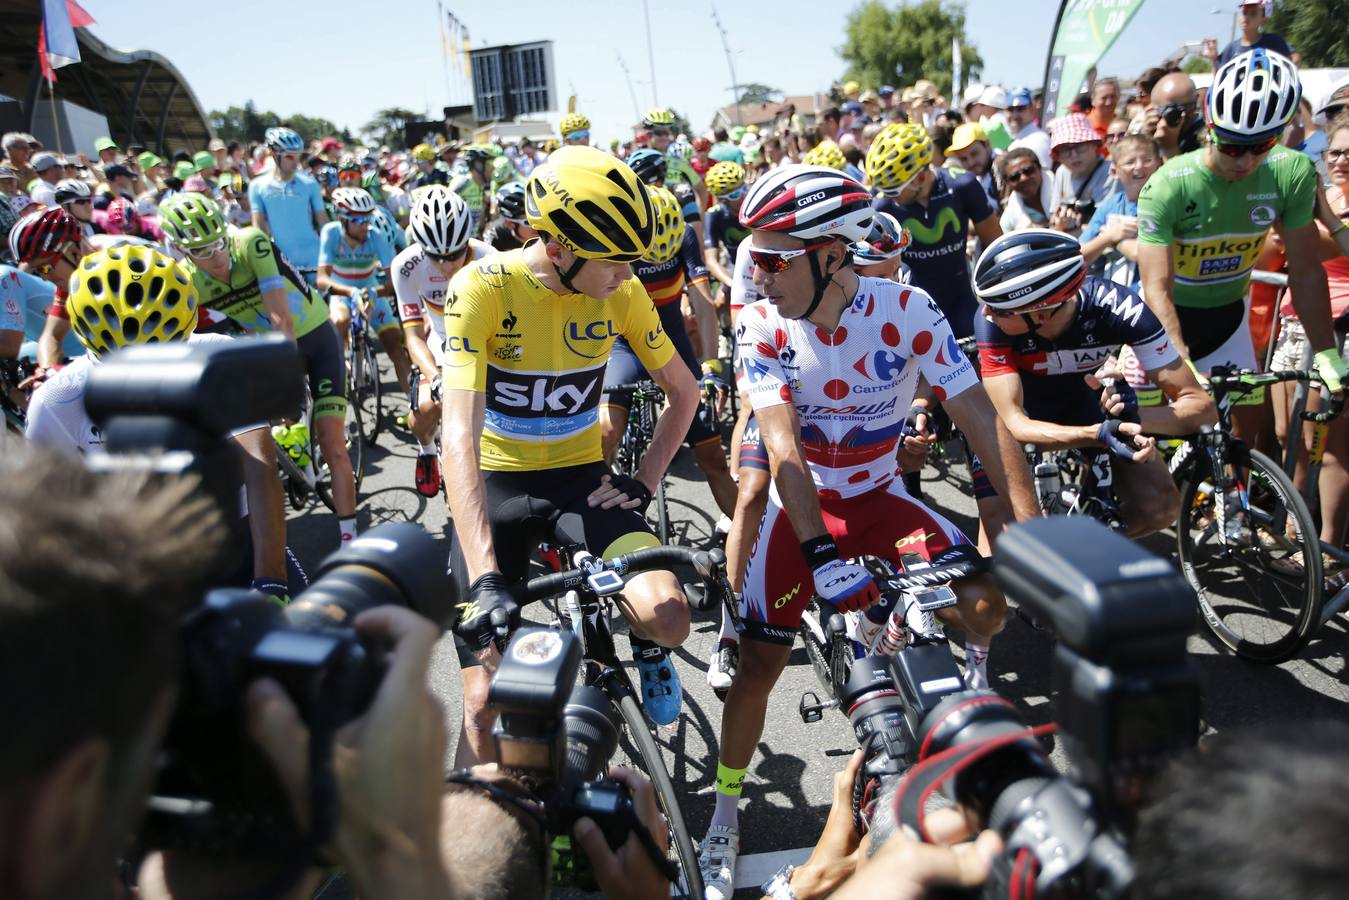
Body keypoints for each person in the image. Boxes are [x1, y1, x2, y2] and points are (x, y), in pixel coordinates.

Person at [703, 164, 1037, 900]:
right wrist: (819, 551)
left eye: (772, 257)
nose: (755, 272)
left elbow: (980, 418)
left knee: (985, 601)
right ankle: (723, 813)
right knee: (758, 667)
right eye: (750, 255)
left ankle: (931, 684)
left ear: (832, 253)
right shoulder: (762, 324)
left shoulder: (908, 309)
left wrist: (1035, 535)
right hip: (807, 509)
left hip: (882, 500)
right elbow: (782, 447)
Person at [440, 146, 698, 765]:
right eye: (616, 263)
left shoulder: (621, 293)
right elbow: (457, 440)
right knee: (483, 708)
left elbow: (683, 393)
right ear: (558, 250)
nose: (629, 277)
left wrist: (644, 480)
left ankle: (644, 647)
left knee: (669, 618)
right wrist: (489, 579)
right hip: (496, 485)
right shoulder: (481, 287)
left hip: (581, 481)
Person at [24, 244, 296, 595]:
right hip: (140, 557)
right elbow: (50, 516)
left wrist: (271, 580)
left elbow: (259, 466)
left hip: (235, 532)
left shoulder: (217, 354)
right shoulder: (58, 401)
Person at [1137, 50, 1346, 445]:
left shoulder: (1291, 172)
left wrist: (1326, 353)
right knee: (1155, 468)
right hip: (1161, 328)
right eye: (1232, 146)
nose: (1246, 161)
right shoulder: (1169, 184)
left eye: (1262, 145)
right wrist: (1179, 363)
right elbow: (1156, 290)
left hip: (1229, 322)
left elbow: (1305, 272)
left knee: (1240, 446)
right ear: (1209, 127)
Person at [974, 229, 1216, 537]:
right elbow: (1015, 426)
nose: (986, 313)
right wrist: (1098, 433)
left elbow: (1202, 409)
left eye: (998, 308)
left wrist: (1131, 417)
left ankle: (1085, 550)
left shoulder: (1120, 308)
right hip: (1018, 409)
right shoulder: (991, 325)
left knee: (1160, 507)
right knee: (1001, 529)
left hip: (1082, 402)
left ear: (1042, 314)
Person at [157, 192, 361, 547]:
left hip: (314, 337)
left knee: (332, 442)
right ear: (181, 251)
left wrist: (286, 385)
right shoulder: (188, 279)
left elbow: (282, 319)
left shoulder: (250, 243)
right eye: (202, 252)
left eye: (218, 244)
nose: (217, 258)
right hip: (267, 347)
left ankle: (350, 539)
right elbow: (181, 336)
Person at [601, 185, 737, 523]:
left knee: (713, 458)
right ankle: (597, 520)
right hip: (625, 346)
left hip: (671, 341)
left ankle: (759, 547)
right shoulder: (614, 243)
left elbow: (703, 304)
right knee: (605, 432)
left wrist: (709, 364)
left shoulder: (685, 236)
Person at [1269, 111, 1349, 587]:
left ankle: (1329, 547)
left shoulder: (1327, 201)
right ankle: (1296, 531)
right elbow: (1276, 247)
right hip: (1293, 321)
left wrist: (1316, 215)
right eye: (1335, 151)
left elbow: (1313, 247)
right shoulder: (1327, 195)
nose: (1341, 160)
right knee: (1288, 434)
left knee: (1331, 444)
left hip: (1337, 329)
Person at [392, 185, 490, 496]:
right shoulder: (405, 266)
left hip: (484, 340)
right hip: (440, 340)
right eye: (437, 257)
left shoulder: (490, 258)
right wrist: (435, 378)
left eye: (455, 255)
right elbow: (412, 335)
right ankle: (427, 449)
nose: (448, 265)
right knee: (422, 413)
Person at [868, 123, 1002, 339]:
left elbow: (995, 245)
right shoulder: (881, 206)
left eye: (893, 190)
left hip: (961, 300)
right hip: (914, 306)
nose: (886, 196)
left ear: (920, 178)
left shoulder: (963, 185)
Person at [316, 186, 413, 398]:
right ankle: (339, 371)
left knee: (395, 345)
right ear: (343, 219)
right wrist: (351, 292)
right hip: (343, 291)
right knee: (340, 320)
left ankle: (414, 406)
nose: (365, 225)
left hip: (370, 290)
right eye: (359, 221)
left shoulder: (374, 235)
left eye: (367, 219)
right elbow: (322, 279)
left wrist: (375, 292)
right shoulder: (331, 233)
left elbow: (392, 279)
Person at [1079, 133, 1163, 289]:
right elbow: (1079, 257)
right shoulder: (1110, 205)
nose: (1139, 166)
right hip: (1115, 296)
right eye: (1130, 162)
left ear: (1159, 164)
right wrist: (1107, 237)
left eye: (1147, 160)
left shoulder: (1166, 202)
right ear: (1114, 172)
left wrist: (1117, 241)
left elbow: (1146, 255)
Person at [248, 127, 329, 284]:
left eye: (298, 156)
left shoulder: (310, 183)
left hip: (314, 258)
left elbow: (323, 222)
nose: (296, 162)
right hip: (282, 261)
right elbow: (258, 228)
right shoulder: (257, 186)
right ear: (273, 153)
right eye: (290, 157)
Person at [1046, 113, 1116, 236]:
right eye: (1065, 150)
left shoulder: (1111, 172)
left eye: (1079, 146)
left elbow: (1105, 226)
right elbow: (1053, 218)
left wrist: (1071, 228)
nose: (1073, 155)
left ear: (1094, 145)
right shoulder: (1062, 172)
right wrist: (1060, 223)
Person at [702, 161, 751, 309]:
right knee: (720, 301)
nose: (744, 195)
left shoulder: (755, 203)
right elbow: (711, 262)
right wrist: (732, 284)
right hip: (736, 267)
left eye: (744, 188)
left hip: (763, 262)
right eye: (736, 194)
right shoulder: (714, 215)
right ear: (724, 200)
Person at [1217, 0, 1298, 66]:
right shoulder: (1231, 48)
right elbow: (1219, 77)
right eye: (1244, 12)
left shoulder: (1273, 41)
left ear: (1263, 19)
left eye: (1253, 14)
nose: (1246, 18)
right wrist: (1213, 59)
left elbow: (1295, 58)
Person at [1149, 72, 1205, 161]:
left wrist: (1169, 147)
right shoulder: (1150, 131)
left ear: (1197, 99)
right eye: (1172, 110)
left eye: (1187, 107)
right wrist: (1146, 138)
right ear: (1154, 109)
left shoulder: (1206, 133)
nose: (1182, 115)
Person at [998, 147, 1056, 232]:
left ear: (1039, 168)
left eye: (1028, 170)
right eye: (1014, 177)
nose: (1023, 178)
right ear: (1008, 183)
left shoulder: (1064, 188)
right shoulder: (1010, 216)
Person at [948, 122, 999, 210]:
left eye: (974, 154)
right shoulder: (976, 176)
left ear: (987, 145)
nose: (971, 163)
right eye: (963, 159)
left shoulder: (1003, 167)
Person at [449, 145, 493, 238]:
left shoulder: (480, 185)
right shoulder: (463, 182)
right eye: (488, 164)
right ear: (478, 164)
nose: (492, 168)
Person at [482, 181, 537, 251]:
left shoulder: (546, 232)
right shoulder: (495, 237)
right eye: (528, 222)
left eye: (537, 217)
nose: (537, 226)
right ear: (509, 224)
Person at [1005, 86, 1051, 167]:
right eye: (1010, 109)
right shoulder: (1015, 138)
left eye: (1020, 108)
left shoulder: (1038, 139)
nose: (1015, 115)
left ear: (1032, 109)